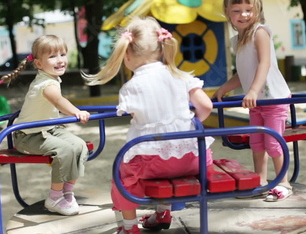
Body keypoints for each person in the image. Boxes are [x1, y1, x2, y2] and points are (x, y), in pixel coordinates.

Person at [83, 16, 214, 234]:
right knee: (166, 160)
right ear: (161, 49)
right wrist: (190, 122)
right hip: (194, 158)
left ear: (127, 54)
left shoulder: (131, 87)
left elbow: (136, 114)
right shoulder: (180, 75)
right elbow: (206, 106)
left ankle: (129, 227)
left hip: (151, 163)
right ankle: (162, 213)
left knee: (123, 178)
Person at [0, 35, 91, 216]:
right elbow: (58, 100)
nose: (60, 60)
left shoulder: (51, 78)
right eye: (52, 57)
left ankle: (67, 192)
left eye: (62, 54)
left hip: (49, 130)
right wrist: (76, 112)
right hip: (28, 136)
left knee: (80, 146)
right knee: (65, 150)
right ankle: (54, 197)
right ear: (38, 64)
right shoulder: (46, 84)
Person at [213, 0, 292, 202]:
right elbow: (244, 72)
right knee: (257, 141)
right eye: (237, 11)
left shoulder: (260, 33)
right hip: (256, 100)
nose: (244, 15)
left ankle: (283, 182)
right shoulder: (237, 40)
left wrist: (254, 90)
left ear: (257, 10)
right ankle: (260, 180)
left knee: (273, 142)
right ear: (228, 13)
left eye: (249, 10)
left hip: (272, 98)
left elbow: (264, 64)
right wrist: (225, 88)